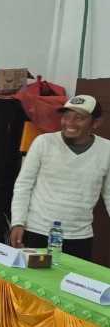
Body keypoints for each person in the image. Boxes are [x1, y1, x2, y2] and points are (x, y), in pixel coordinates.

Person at [10, 94, 110, 260]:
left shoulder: (106, 150)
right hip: (37, 231)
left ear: (96, 122)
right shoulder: (43, 142)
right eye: (66, 116)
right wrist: (18, 222)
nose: (70, 123)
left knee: (74, 278)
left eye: (79, 118)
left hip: (79, 236)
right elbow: (23, 185)